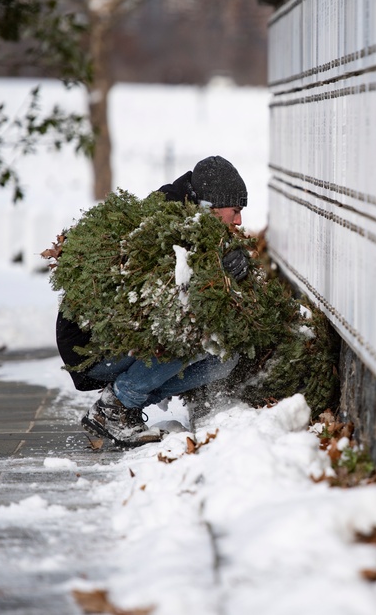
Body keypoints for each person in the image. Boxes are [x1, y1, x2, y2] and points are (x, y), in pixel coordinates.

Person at [56, 155, 252, 447]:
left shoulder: (198, 221)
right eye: (234, 210)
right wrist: (218, 271)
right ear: (211, 205)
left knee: (223, 358)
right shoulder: (162, 225)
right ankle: (116, 406)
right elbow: (174, 299)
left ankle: (126, 404)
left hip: (122, 341)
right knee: (188, 331)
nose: (238, 220)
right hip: (91, 348)